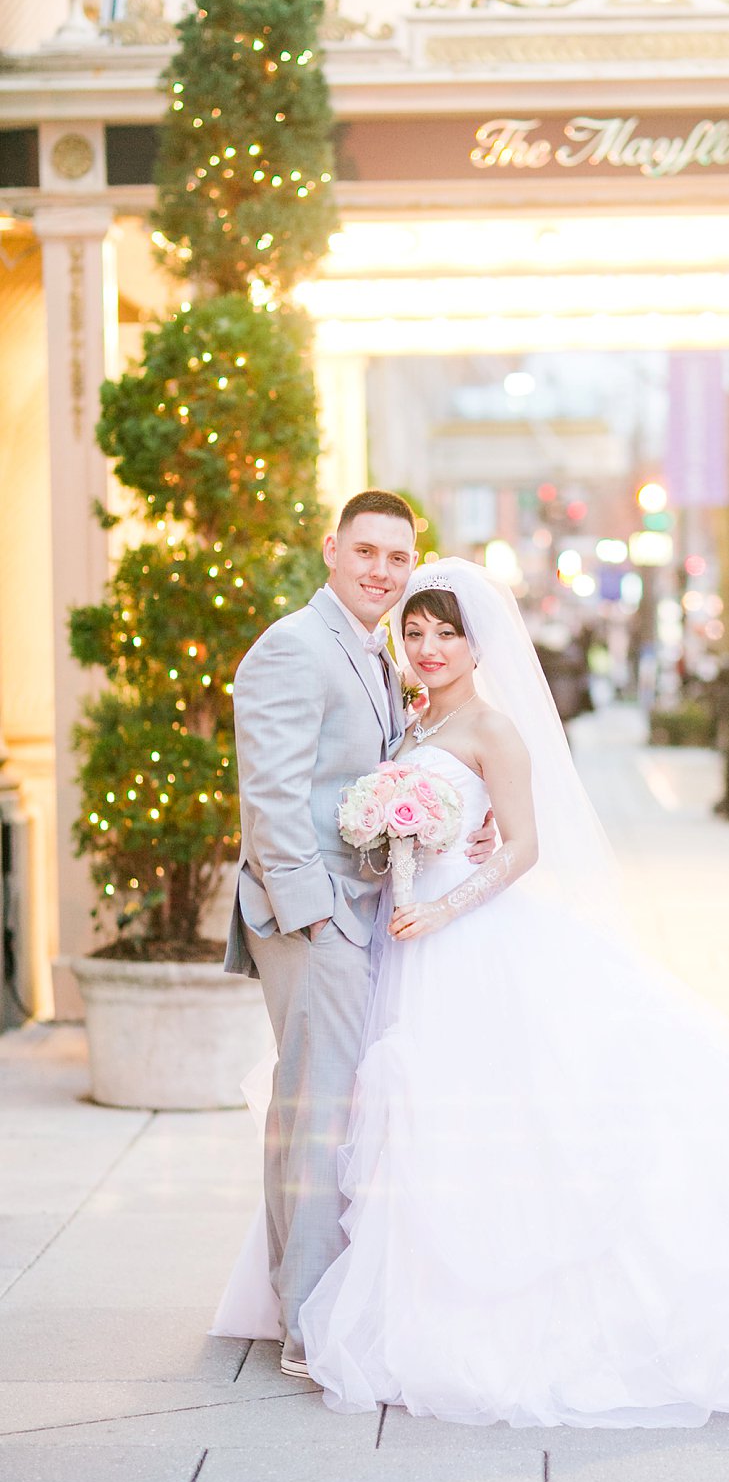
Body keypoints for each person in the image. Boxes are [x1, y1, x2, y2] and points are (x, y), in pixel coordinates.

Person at [212, 559, 729, 1431]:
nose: (429, 646)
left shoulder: (494, 728)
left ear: (480, 641)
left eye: (446, 632)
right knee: (407, 1117)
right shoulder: (409, 722)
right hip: (405, 952)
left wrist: (445, 903)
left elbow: (523, 848)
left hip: (465, 940)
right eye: (416, 631)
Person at [220, 490, 492, 1379]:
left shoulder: (376, 655)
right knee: (315, 1114)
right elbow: (270, 795)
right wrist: (315, 918)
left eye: (398, 559)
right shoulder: (293, 647)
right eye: (366, 551)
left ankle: (305, 1295)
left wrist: (458, 823)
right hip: (316, 918)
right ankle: (306, 1323)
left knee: (327, 1110)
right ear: (331, 547)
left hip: (362, 911)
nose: (381, 570)